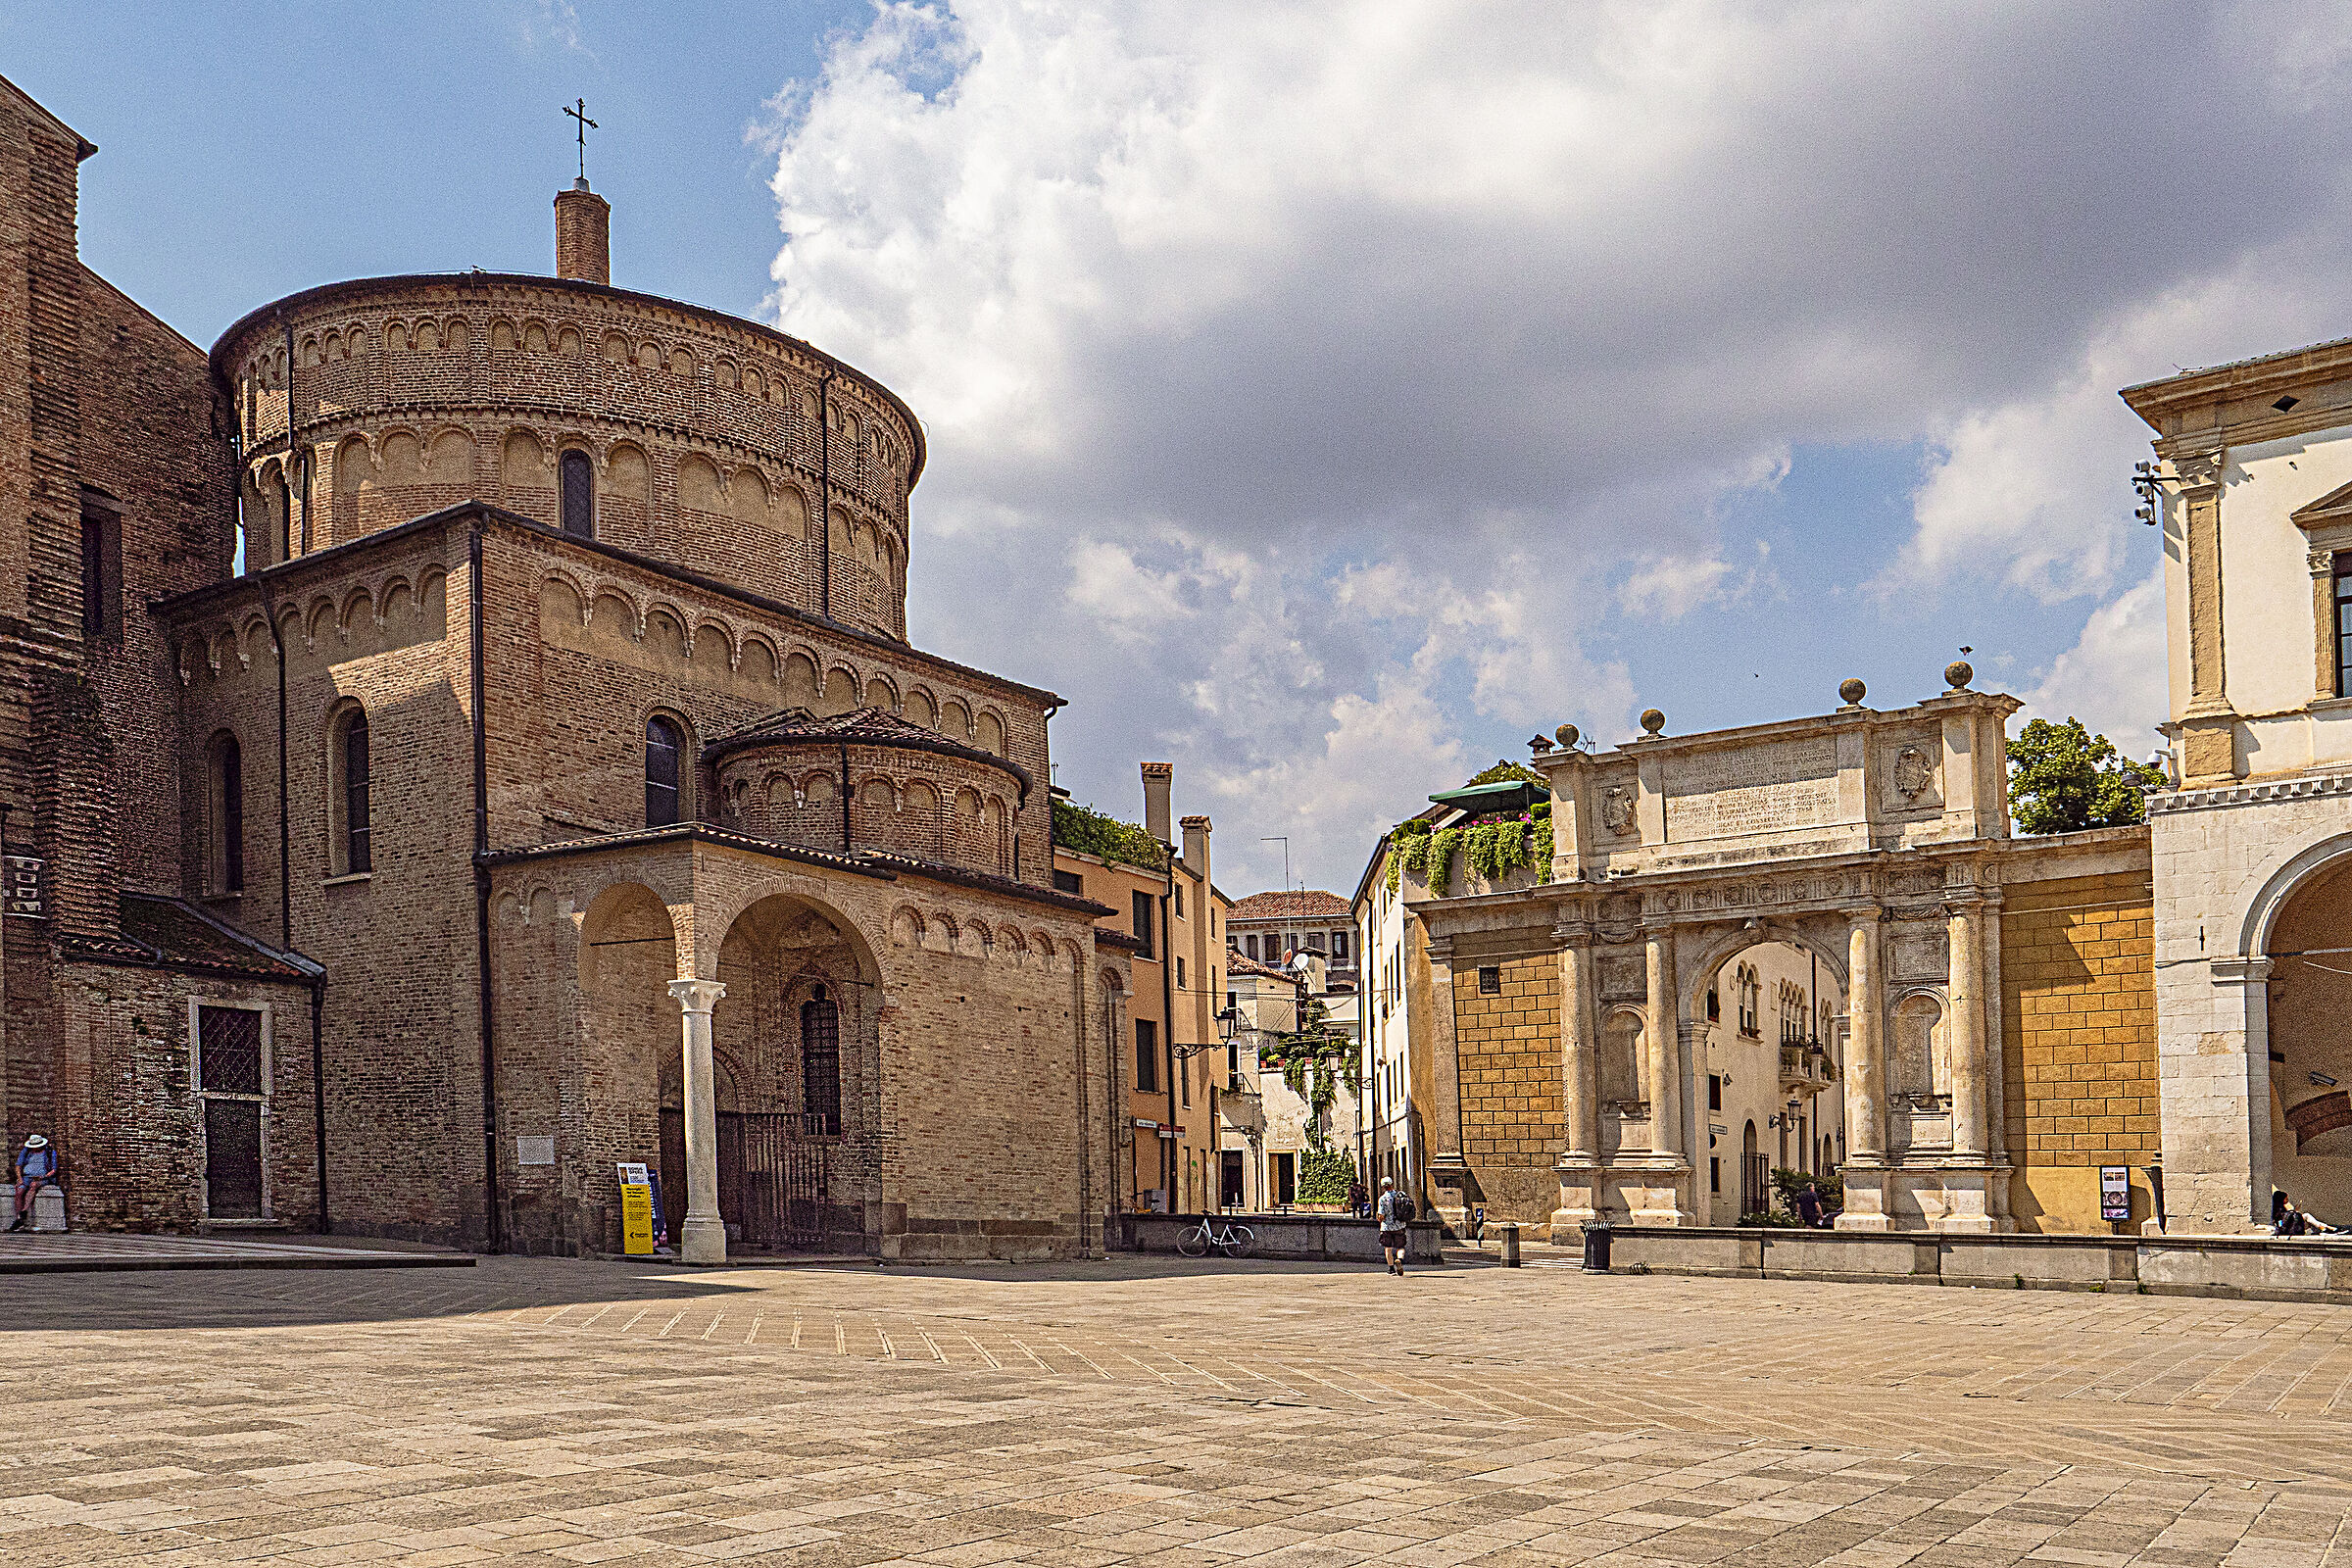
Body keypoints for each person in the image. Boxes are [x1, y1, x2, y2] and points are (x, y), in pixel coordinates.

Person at [9, 1134, 58, 1231]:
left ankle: (24, 1210)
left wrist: (43, 1177)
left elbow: (54, 1169)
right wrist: (20, 1179)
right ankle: (20, 1218)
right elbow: (18, 1166)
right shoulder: (26, 1151)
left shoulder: (49, 1152)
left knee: (33, 1186)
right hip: (27, 1176)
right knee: (19, 1191)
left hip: (42, 1178)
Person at [1376, 1176, 1413, 1275]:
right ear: (1392, 1184)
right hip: (1399, 1225)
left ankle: (1391, 1268)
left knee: (1388, 1248)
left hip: (1386, 1227)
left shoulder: (1382, 1199)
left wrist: (1379, 1218)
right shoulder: (1401, 1195)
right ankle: (1399, 1260)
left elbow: (1381, 1215)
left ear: (1383, 1187)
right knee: (1401, 1247)